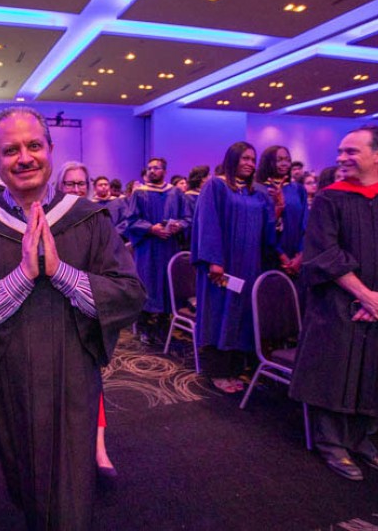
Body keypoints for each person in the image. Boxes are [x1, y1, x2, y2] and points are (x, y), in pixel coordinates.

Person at [0, 106, 145, 530]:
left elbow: (129, 293)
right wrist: (24, 276)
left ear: (50, 150)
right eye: (10, 150)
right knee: (24, 477)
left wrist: (61, 273)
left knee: (70, 487)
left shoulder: (89, 217)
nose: (24, 157)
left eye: (34, 145)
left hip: (73, 372)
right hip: (8, 377)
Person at [290, 125, 378, 481]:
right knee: (335, 370)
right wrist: (365, 295)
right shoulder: (330, 197)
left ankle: (363, 439)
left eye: (351, 151)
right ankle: (332, 443)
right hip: (338, 304)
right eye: (340, 151)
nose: (341, 158)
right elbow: (323, 251)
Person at [191, 142, 275, 393]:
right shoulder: (216, 186)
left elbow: (267, 229)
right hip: (222, 269)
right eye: (245, 158)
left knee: (242, 317)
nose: (250, 163)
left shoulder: (258, 192)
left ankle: (236, 368)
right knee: (219, 315)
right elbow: (208, 224)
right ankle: (217, 372)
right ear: (232, 160)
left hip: (249, 267)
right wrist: (214, 260)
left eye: (253, 159)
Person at [56, 161, 118, 479]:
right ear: (59, 186)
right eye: (70, 183)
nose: (78, 189)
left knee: (91, 380)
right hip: (55, 314)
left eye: (82, 183)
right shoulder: (50, 219)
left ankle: (98, 447)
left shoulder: (99, 220)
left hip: (88, 308)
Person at [126, 157, 190, 344]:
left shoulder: (176, 193)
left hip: (169, 248)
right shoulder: (139, 194)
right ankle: (144, 327)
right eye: (150, 168)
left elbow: (188, 218)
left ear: (165, 171)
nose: (152, 171)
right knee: (147, 285)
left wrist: (179, 225)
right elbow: (130, 221)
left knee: (166, 285)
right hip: (148, 250)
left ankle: (163, 326)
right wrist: (151, 228)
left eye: (157, 168)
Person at [255, 145, 308, 276]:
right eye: (279, 160)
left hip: (297, 257)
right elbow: (262, 228)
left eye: (287, 159)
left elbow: (305, 223)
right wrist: (281, 255)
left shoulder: (298, 189)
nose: (284, 163)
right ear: (268, 162)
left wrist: (300, 255)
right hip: (269, 256)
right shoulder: (258, 190)